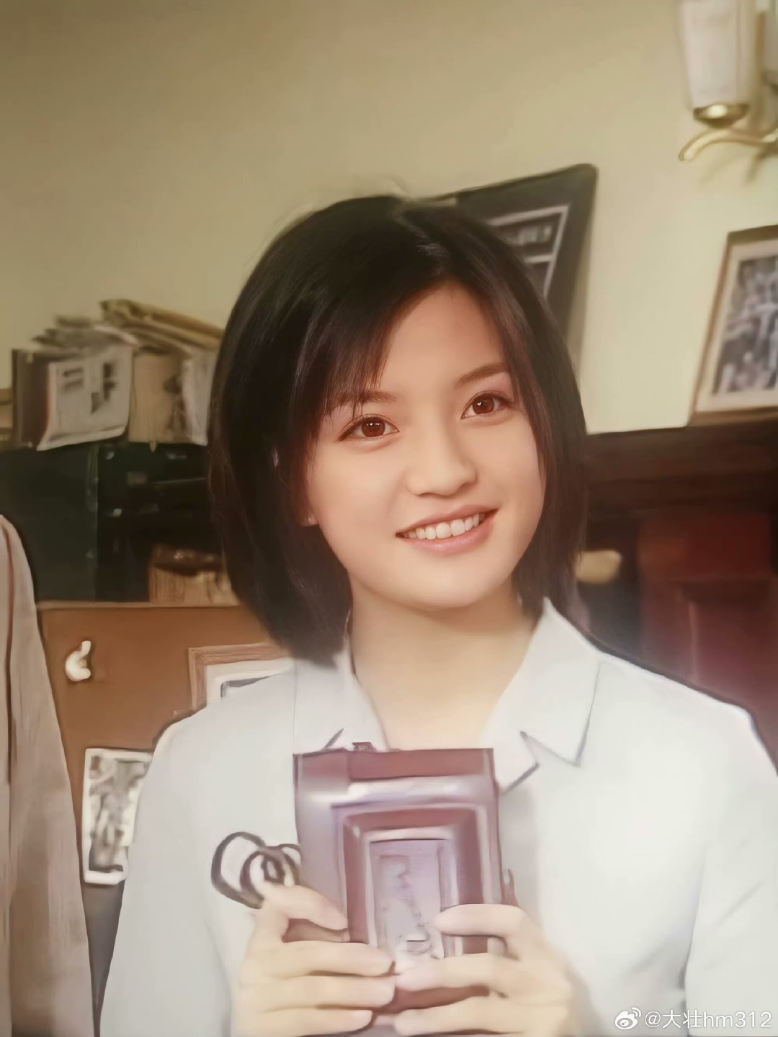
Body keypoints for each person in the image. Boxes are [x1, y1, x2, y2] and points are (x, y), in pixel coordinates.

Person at [101, 197, 778, 1037]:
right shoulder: (202, 772)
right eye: (371, 424)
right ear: (290, 480)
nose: (445, 470)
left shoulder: (704, 764)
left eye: (486, 404)